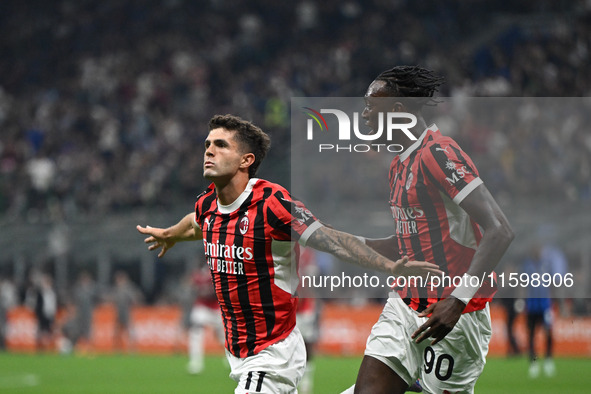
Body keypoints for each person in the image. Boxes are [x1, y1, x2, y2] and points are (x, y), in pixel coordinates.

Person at [137, 114, 441, 393]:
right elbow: (196, 224)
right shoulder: (208, 204)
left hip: (272, 353)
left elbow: (330, 239)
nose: (208, 151)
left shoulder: (272, 204)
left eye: (220, 145)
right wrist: (169, 234)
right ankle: (387, 385)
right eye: (207, 144)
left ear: (246, 160)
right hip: (240, 352)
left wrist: (389, 266)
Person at [344, 66, 514, 394]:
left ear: (395, 112)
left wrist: (458, 299)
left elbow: (500, 230)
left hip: (455, 314)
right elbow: (408, 246)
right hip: (406, 303)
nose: (364, 116)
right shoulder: (398, 164)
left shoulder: (438, 153)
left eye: (370, 108)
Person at [111, 270, 143, 353]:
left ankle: (132, 348)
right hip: (119, 313)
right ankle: (117, 348)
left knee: (129, 331)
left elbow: (136, 298)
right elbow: (113, 299)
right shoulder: (116, 289)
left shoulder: (128, 289)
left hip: (126, 313)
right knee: (118, 332)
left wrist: (134, 303)